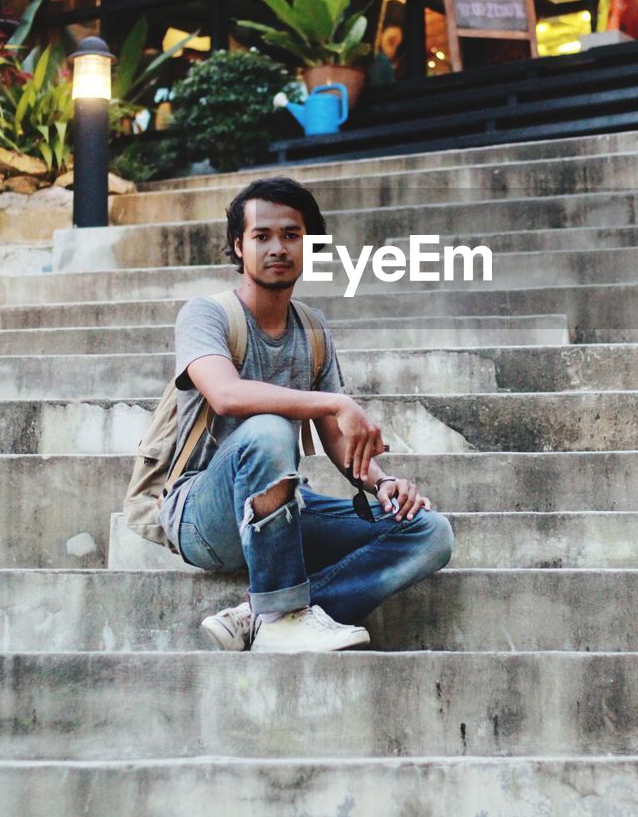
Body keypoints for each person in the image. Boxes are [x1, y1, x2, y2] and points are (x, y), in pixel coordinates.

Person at [158, 175, 453, 653]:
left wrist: (381, 484)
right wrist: (336, 402)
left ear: (309, 245)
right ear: (239, 245)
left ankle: (264, 614)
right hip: (202, 514)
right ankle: (278, 615)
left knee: (429, 532)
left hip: (283, 510)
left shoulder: (312, 329)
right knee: (269, 429)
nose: (278, 247)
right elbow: (227, 396)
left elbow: (337, 439)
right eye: (262, 236)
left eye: (291, 236)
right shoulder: (206, 316)